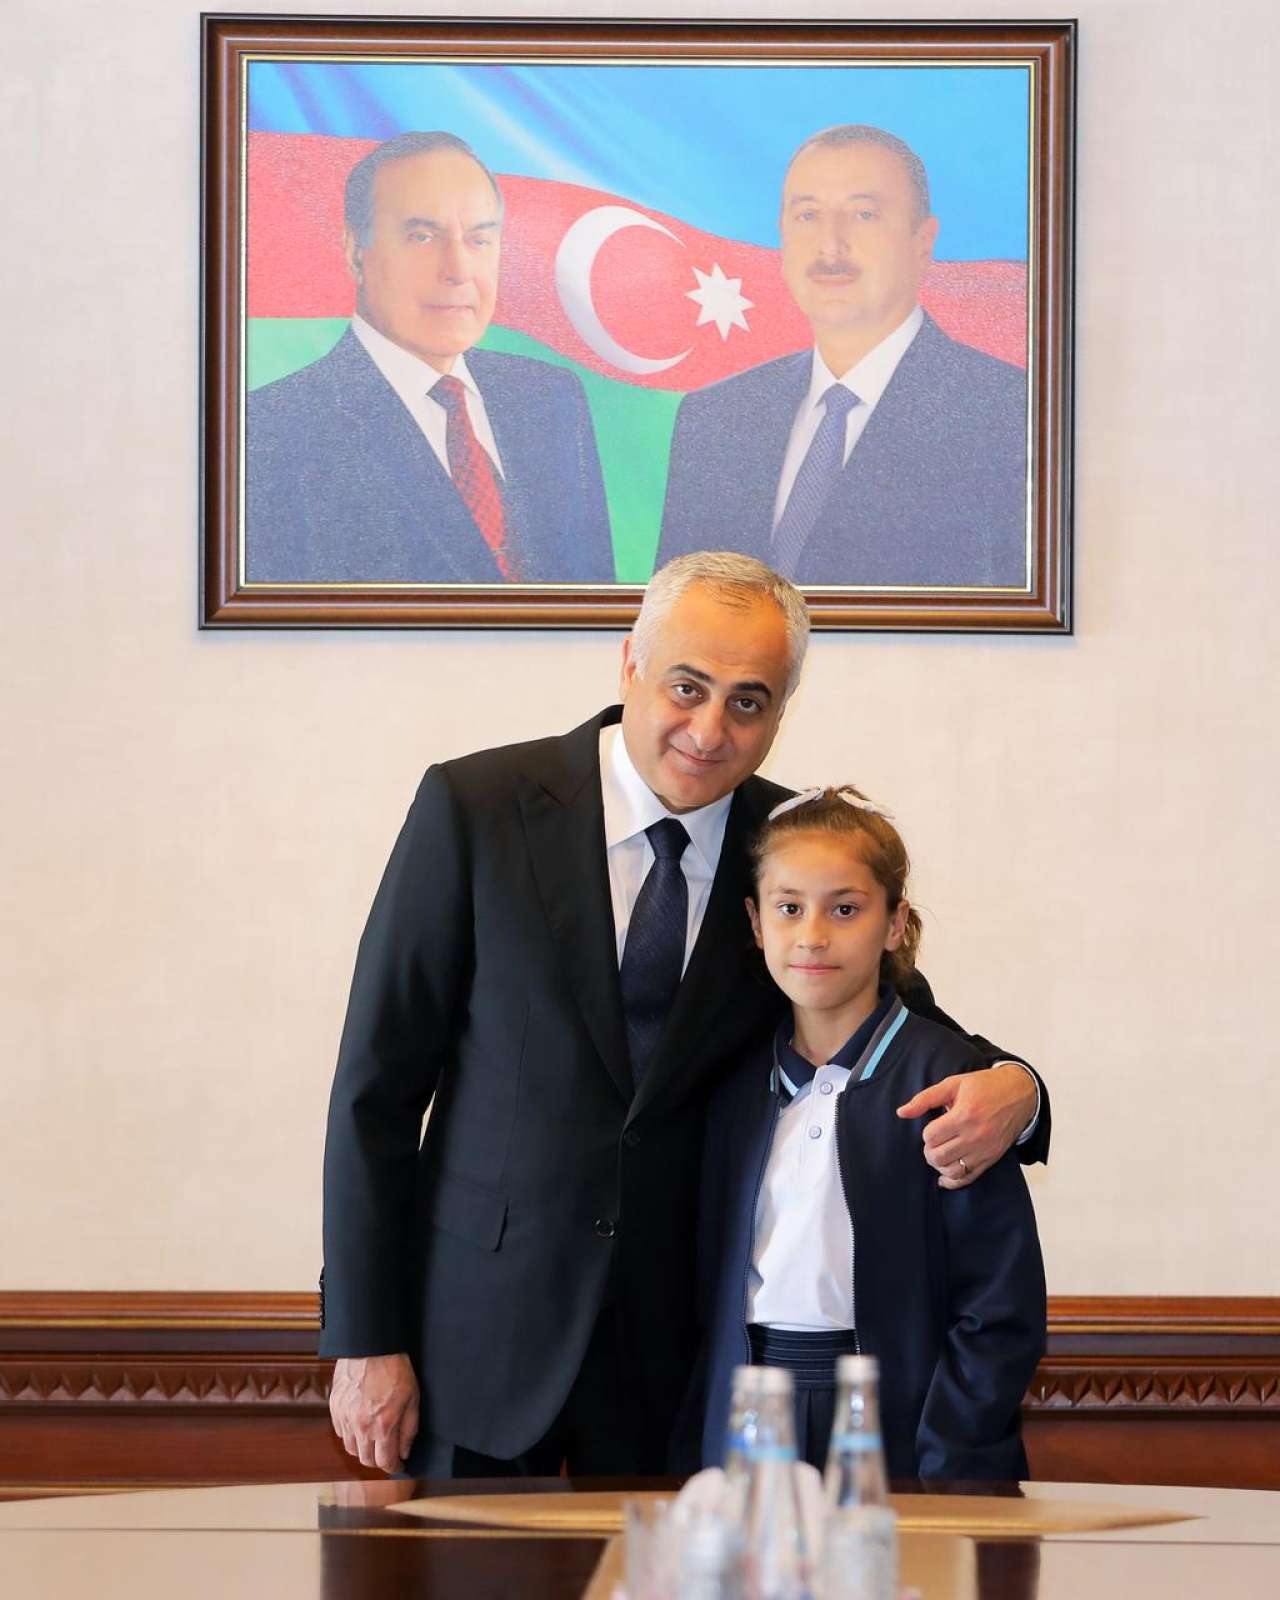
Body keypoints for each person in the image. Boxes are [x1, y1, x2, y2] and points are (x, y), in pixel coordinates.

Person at [319, 551, 1049, 1480]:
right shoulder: (477, 808)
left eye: (748, 702)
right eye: (687, 687)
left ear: (781, 712)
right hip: (477, 1350)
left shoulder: (790, 852)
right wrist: (365, 1336)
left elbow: (911, 1027)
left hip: (676, 1371)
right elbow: (376, 1090)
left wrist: (1020, 1090)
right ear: (630, 662)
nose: (710, 730)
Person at [693, 787, 1046, 1479]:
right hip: (746, 1415)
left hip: (899, 1425)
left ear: (894, 924)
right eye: (788, 908)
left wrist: (949, 1452)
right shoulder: (730, 1087)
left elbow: (999, 1306)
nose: (812, 935)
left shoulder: (951, 1088)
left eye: (845, 909)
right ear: (756, 923)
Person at [658, 125, 1028, 587]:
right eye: (808, 215)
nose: (830, 246)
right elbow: (676, 616)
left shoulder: (1011, 416)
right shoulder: (714, 418)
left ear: (923, 242)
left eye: (864, 214)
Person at [246, 131, 614, 584]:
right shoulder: (271, 431)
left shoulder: (552, 399)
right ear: (355, 251)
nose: (458, 270)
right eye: (422, 237)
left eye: (479, 240)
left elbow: (593, 601)